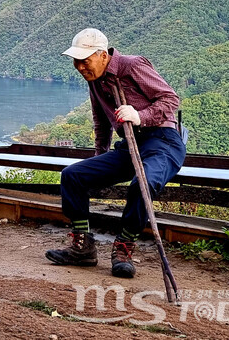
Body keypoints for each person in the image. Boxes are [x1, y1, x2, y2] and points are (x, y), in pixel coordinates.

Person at [45, 28, 186, 278]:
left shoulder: (131, 66)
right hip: (128, 147)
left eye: (84, 61)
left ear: (101, 55)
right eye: (76, 61)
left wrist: (139, 115)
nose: (79, 67)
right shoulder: (95, 82)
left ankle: (123, 248)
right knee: (73, 176)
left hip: (163, 141)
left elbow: (170, 99)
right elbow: (101, 123)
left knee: (142, 183)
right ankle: (82, 249)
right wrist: (100, 157)